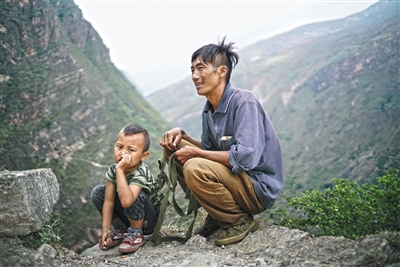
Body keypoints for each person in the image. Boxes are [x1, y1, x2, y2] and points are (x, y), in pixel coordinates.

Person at [159, 37, 284, 246]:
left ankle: (237, 220)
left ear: (222, 71)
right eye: (192, 70)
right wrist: (183, 136)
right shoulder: (209, 110)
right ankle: (217, 214)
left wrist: (197, 154)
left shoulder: (244, 101)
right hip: (234, 180)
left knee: (194, 166)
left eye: (200, 68)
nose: (194, 76)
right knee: (173, 149)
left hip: (256, 187)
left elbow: (245, 157)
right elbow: (209, 150)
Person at [91, 124, 160, 253]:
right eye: (119, 147)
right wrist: (106, 229)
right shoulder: (114, 169)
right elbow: (109, 201)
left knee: (134, 195)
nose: (123, 153)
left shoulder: (141, 172)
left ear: (143, 156)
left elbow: (127, 201)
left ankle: (135, 233)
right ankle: (121, 228)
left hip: (147, 221)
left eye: (131, 150)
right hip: (129, 215)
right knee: (99, 192)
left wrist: (120, 171)